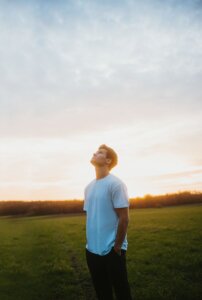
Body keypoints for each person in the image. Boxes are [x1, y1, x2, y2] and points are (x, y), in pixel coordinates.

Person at [83, 144, 132, 300]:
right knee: (102, 293)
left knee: (121, 291)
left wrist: (117, 247)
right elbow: (93, 217)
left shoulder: (116, 184)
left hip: (112, 250)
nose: (95, 153)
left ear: (108, 160)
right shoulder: (88, 187)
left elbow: (124, 218)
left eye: (100, 152)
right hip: (92, 251)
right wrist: (90, 246)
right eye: (96, 151)